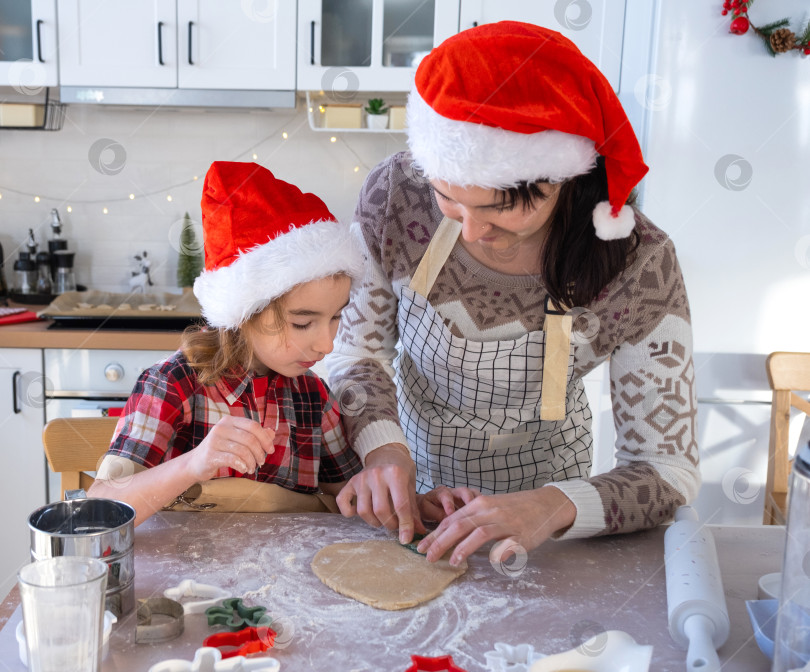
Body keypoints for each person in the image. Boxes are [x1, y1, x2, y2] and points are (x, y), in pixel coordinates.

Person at [325, 22, 700, 566]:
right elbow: (357, 350)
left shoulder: (637, 262)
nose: (471, 232)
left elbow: (669, 469)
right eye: (449, 200)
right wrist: (383, 448)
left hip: (549, 521)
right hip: (412, 494)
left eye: (500, 208)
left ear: (563, 178)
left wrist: (551, 508)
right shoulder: (398, 194)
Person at [89, 161, 365, 525]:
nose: (326, 344)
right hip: (184, 581)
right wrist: (192, 465)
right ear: (243, 312)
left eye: (335, 317)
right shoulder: (172, 386)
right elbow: (100, 509)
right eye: (302, 323)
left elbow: (353, 495)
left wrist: (400, 498)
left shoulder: (314, 398)